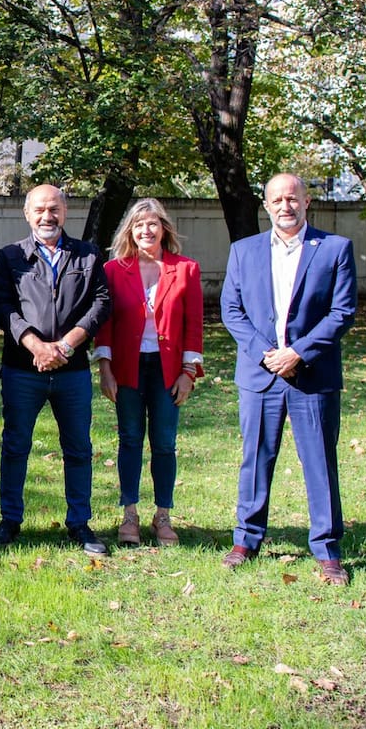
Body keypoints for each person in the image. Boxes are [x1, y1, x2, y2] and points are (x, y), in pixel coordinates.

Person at [220, 173, 356, 585]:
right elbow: (232, 309)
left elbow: (342, 312)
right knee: (255, 460)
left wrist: (297, 353)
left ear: (306, 201)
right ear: (266, 205)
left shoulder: (335, 249)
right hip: (261, 376)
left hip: (312, 376)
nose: (285, 206)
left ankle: (328, 550)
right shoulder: (244, 251)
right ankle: (246, 540)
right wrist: (269, 355)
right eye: (277, 199)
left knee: (319, 462)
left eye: (292, 198)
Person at [0, 184, 111, 556]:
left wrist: (66, 344)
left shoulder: (88, 255)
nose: (47, 216)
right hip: (22, 370)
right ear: (27, 214)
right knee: (15, 446)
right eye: (39, 209)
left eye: (54, 209)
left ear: (65, 211)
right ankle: (10, 519)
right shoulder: (10, 256)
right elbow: (2, 306)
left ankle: (79, 522)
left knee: (78, 449)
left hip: (72, 371)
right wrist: (37, 346)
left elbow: (102, 302)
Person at [95, 199, 203, 547]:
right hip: (126, 368)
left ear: (164, 228)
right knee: (129, 439)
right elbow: (105, 324)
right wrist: (105, 368)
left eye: (153, 224)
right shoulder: (113, 270)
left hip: (167, 368)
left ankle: (163, 515)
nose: (146, 230)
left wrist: (189, 371)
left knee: (164, 443)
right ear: (130, 230)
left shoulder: (186, 269)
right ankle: (129, 514)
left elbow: (193, 325)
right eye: (139, 225)